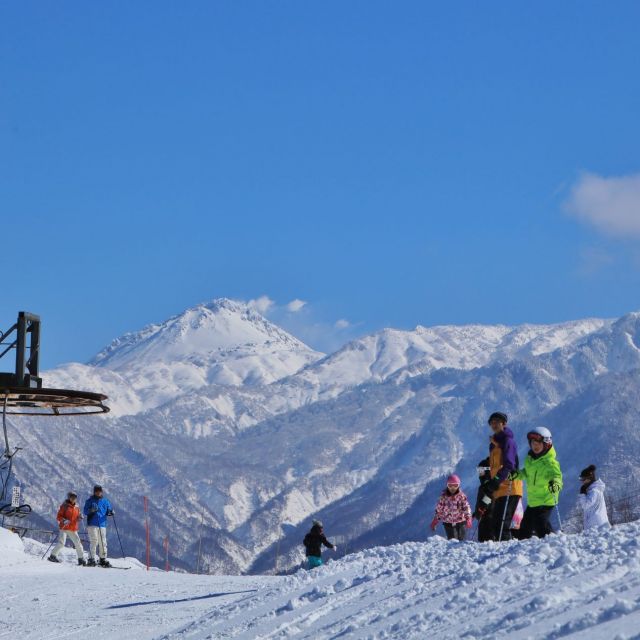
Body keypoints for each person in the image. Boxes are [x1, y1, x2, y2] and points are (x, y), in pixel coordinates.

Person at [510, 426, 563, 539]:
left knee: (541, 525)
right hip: (533, 501)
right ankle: (524, 551)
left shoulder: (550, 462)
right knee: (524, 528)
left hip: (546, 500)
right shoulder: (530, 459)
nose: (535, 446)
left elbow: (557, 476)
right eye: (533, 443)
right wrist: (517, 474)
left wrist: (556, 484)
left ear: (546, 444)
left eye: (538, 444)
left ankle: (554, 544)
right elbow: (526, 472)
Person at [480, 412, 523, 541]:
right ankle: (504, 553)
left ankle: (506, 554)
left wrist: (496, 481)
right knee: (496, 523)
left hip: (510, 487)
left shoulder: (508, 441)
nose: (494, 425)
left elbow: (509, 465)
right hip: (500, 489)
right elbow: (493, 466)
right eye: (491, 423)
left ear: (504, 424)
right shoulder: (493, 444)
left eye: (497, 422)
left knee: (502, 524)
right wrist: (489, 481)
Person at [431, 474, 473, 541]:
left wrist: (468, 518)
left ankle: (461, 551)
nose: (453, 488)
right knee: (452, 541)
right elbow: (439, 510)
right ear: (447, 486)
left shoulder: (461, 497)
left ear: (458, 486)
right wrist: (435, 520)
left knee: (461, 541)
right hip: (448, 523)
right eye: (450, 486)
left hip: (461, 521)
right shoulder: (444, 497)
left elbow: (466, 508)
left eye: (455, 485)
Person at [48, 491, 86, 565]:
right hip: (64, 527)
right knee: (62, 543)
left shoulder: (77, 507)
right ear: (69, 498)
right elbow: (58, 516)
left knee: (78, 543)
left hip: (73, 528)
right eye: (72, 497)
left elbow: (76, 518)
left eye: (75, 498)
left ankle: (81, 559)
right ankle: (53, 556)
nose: (73, 499)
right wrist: (63, 520)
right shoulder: (64, 506)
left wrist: (79, 517)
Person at [83, 485, 113, 567]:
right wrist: (91, 510)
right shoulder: (89, 501)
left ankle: (102, 559)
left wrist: (111, 512)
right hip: (92, 524)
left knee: (103, 542)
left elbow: (109, 510)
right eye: (96, 491)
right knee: (94, 541)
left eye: (99, 491)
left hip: (102, 524)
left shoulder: (105, 501)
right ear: (94, 492)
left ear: (101, 492)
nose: (98, 492)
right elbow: (85, 511)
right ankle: (91, 558)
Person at [578, 464, 610, 530]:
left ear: (589, 479)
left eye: (583, 479)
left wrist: (582, 494)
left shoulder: (594, 491)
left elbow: (585, 505)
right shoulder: (595, 489)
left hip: (595, 524)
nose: (582, 481)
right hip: (597, 522)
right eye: (581, 479)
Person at [473, 458, 494, 542]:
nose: (480, 474)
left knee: (487, 538)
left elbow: (490, 497)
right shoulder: (483, 485)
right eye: (479, 471)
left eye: (481, 471)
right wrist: (476, 512)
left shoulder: (490, 484)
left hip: (488, 516)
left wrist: (483, 506)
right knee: (481, 539)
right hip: (482, 516)